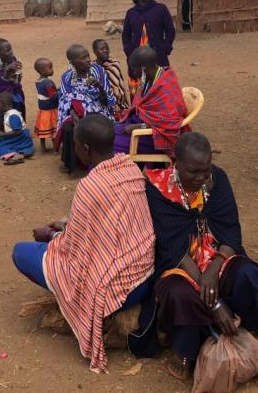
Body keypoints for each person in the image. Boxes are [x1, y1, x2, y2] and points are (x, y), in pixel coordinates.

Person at [129, 132, 258, 390]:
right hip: (181, 263)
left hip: (219, 255)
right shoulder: (157, 189)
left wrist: (215, 267)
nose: (200, 178)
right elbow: (172, 246)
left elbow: (231, 231)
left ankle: (246, 324)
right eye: (193, 172)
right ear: (175, 161)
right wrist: (215, 302)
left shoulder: (218, 181)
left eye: (205, 171)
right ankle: (190, 347)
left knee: (245, 275)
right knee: (178, 294)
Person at [12, 114, 155, 373]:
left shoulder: (90, 187)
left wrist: (50, 235)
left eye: (75, 144)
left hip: (115, 290)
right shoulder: (131, 168)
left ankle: (89, 310)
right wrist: (65, 227)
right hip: (144, 277)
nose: (74, 149)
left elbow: (72, 250)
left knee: (22, 252)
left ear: (86, 150)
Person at [113, 46, 189, 157]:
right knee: (108, 132)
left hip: (155, 138)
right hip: (138, 125)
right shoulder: (150, 78)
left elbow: (168, 125)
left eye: (135, 69)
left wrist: (139, 127)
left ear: (144, 69)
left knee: (111, 144)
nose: (133, 73)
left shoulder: (166, 88)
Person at [56, 45, 115, 175]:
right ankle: (72, 163)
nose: (88, 60)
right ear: (72, 62)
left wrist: (99, 87)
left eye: (88, 56)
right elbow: (65, 100)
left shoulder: (99, 71)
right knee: (69, 126)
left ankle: (96, 160)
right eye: (83, 58)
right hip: (77, 111)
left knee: (93, 126)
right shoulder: (67, 77)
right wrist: (71, 112)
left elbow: (108, 100)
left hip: (99, 109)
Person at [122, 0, 176, 98]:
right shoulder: (131, 13)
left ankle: (159, 116)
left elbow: (170, 30)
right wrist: (128, 51)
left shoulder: (161, 9)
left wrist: (166, 47)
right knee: (138, 94)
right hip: (137, 59)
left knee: (160, 90)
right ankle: (138, 115)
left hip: (158, 57)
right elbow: (125, 35)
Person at [0, 92, 34, 165]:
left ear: (3, 104)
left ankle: (16, 156)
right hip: (15, 137)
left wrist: (2, 134)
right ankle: (21, 153)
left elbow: (18, 131)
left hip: (19, 138)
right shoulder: (8, 113)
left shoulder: (13, 116)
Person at [92, 39, 129, 114]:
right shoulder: (92, 68)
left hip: (119, 105)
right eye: (102, 49)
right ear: (95, 52)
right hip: (101, 105)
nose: (105, 51)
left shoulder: (114, 64)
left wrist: (128, 105)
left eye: (107, 48)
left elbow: (120, 85)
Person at [33, 58, 58, 153]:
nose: (52, 70)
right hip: (50, 109)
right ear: (43, 70)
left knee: (42, 128)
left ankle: (43, 147)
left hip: (42, 110)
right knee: (53, 130)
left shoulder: (38, 81)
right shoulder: (48, 83)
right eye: (50, 68)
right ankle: (56, 149)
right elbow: (54, 97)